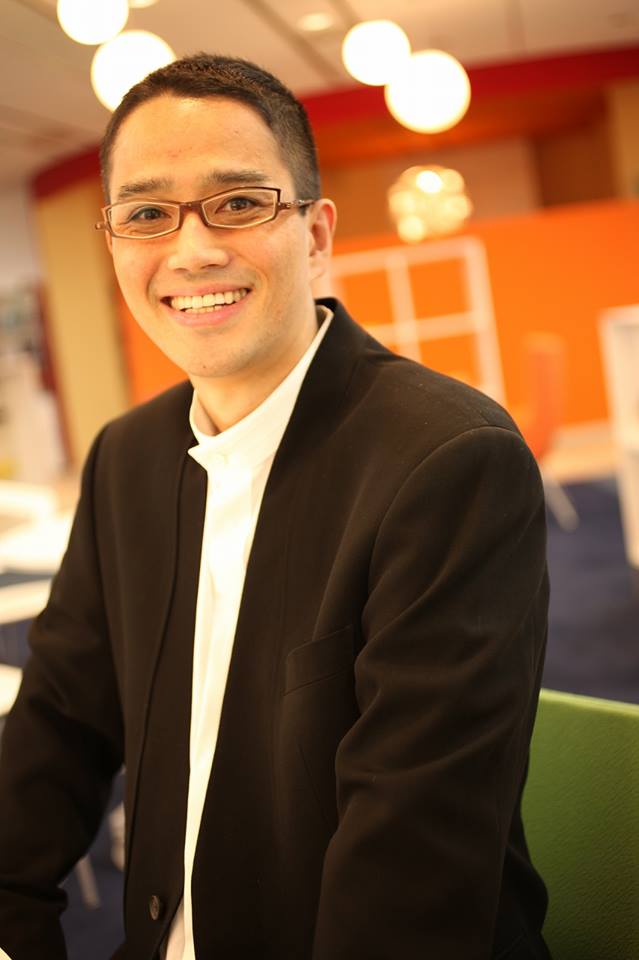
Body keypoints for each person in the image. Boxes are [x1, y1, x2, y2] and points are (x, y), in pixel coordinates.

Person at [0, 54, 552, 960]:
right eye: (147, 215)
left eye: (238, 203)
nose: (191, 251)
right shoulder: (126, 460)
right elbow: (56, 725)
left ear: (316, 234)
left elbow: (407, 883)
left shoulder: (447, 464)